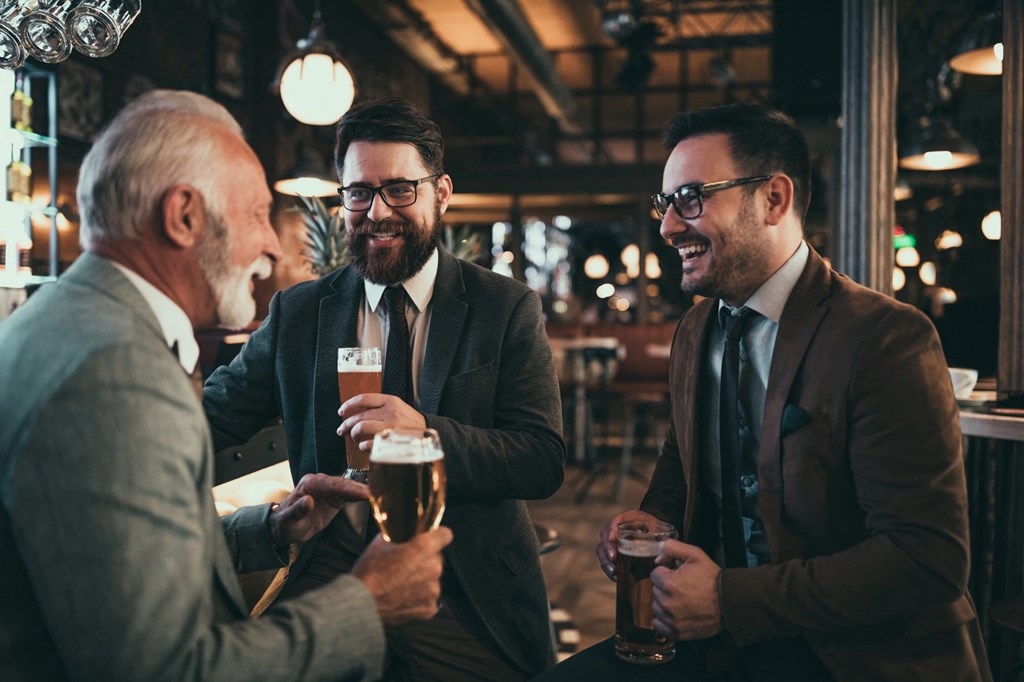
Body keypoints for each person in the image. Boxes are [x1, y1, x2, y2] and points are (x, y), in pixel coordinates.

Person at [0, 89, 452, 681]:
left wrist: (264, 528)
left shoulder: (62, 318)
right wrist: (367, 603)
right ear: (184, 215)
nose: (270, 244)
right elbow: (168, 669)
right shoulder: (114, 373)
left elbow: (105, 555)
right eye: (256, 215)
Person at [536, 103, 991, 681]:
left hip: (849, 653)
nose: (668, 227)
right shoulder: (696, 330)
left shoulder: (884, 337)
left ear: (773, 199)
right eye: (665, 203)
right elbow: (682, 461)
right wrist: (651, 520)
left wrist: (729, 598)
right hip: (713, 643)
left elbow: (927, 559)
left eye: (691, 198)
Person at [203, 96, 566, 681]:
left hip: (461, 580)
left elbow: (542, 460)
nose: (376, 212)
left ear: (441, 193)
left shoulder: (504, 308)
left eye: (399, 189)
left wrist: (426, 433)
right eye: (358, 192)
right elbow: (211, 416)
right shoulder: (298, 313)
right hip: (333, 563)